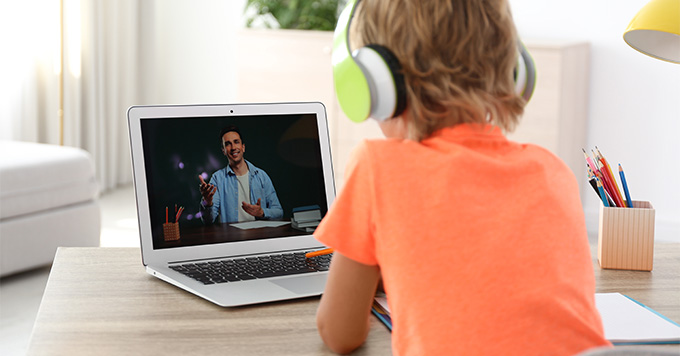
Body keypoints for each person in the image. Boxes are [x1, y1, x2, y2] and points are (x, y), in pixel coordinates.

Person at [314, 0, 610, 355]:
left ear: (376, 81)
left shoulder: (377, 165)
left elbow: (339, 333)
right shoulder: (554, 171)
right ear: (512, 70)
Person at [199, 125, 283, 224]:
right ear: (223, 150)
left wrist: (262, 212)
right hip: (232, 238)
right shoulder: (217, 179)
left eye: (236, 142)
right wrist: (207, 203)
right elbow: (208, 221)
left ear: (243, 147)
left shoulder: (261, 176)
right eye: (228, 144)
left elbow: (279, 212)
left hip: (259, 236)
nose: (233, 147)